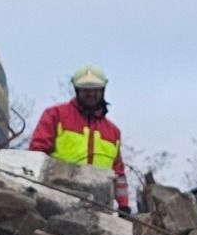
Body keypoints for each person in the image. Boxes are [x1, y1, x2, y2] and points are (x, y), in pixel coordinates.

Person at [26, 64, 129, 210]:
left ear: (102, 90)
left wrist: (124, 205)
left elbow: (119, 175)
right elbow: (36, 154)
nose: (91, 94)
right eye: (86, 89)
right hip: (56, 197)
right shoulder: (56, 115)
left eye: (95, 89)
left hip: (100, 205)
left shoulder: (113, 132)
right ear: (77, 90)